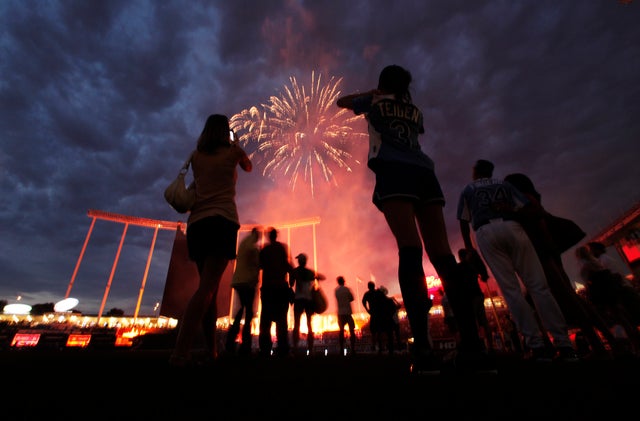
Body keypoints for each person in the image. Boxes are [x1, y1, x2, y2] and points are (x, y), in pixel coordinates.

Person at [337, 64, 490, 374]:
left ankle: (422, 349)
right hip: (425, 173)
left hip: (394, 172)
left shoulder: (374, 102)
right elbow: (414, 133)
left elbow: (341, 101)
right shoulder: (415, 110)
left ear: (382, 84)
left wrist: (372, 93)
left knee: (409, 249)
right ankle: (473, 347)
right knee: (443, 255)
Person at [457, 159, 578, 363]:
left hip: (485, 230)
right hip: (513, 227)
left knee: (511, 290)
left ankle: (536, 346)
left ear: (476, 172)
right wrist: (510, 210)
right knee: (538, 286)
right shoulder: (505, 185)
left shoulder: (468, 188)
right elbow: (532, 208)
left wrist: (468, 247)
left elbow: (462, 219)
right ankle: (563, 343)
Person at [169, 114, 252, 367]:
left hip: (196, 225)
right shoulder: (233, 153)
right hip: (222, 222)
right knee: (206, 289)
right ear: (226, 131)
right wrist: (237, 144)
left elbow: (200, 183)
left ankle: (211, 350)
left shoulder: (197, 156)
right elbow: (248, 167)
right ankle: (180, 352)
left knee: (211, 290)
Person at [504, 173, 618, 358]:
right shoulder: (529, 201)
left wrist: (509, 211)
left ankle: (600, 345)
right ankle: (603, 342)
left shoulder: (525, 202)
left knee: (567, 297)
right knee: (568, 297)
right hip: (546, 249)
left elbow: (536, 213)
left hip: (542, 250)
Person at [258, 227, 294, 358]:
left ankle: (265, 350)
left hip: (268, 290)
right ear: (276, 236)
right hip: (280, 289)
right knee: (281, 321)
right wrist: (291, 283)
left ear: (269, 237)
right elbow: (287, 265)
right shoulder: (281, 248)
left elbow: (259, 265)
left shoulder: (264, 250)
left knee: (265, 321)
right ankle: (283, 349)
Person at [225, 227, 260, 357]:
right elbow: (256, 264)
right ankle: (245, 346)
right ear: (256, 235)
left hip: (238, 281)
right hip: (248, 283)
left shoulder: (243, 243)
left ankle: (230, 341)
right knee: (249, 312)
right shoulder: (253, 247)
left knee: (241, 311)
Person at [457, 248, 495, 352]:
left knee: (472, 322)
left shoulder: (459, 267)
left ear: (460, 257)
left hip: (470, 296)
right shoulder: (473, 266)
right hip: (478, 294)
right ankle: (491, 345)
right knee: (483, 321)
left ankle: (477, 346)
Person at [290, 252, 326, 354]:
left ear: (299, 261)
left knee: (296, 324)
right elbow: (322, 277)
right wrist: (315, 278)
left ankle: (295, 347)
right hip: (308, 300)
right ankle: (310, 348)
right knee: (309, 324)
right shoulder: (309, 272)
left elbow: (291, 283)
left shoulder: (295, 271)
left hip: (298, 299)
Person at [361, 281, 387, 353]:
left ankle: (374, 346)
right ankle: (381, 346)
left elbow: (363, 302)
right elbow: (384, 300)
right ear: (374, 286)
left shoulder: (367, 294)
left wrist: (367, 309)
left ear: (368, 287)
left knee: (373, 332)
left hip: (373, 314)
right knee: (380, 331)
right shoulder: (378, 293)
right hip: (379, 314)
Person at [335, 276, 357, 356]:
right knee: (352, 330)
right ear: (343, 281)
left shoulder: (336, 291)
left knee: (341, 331)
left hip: (340, 313)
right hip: (348, 312)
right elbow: (352, 298)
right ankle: (353, 348)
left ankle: (341, 349)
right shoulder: (347, 289)